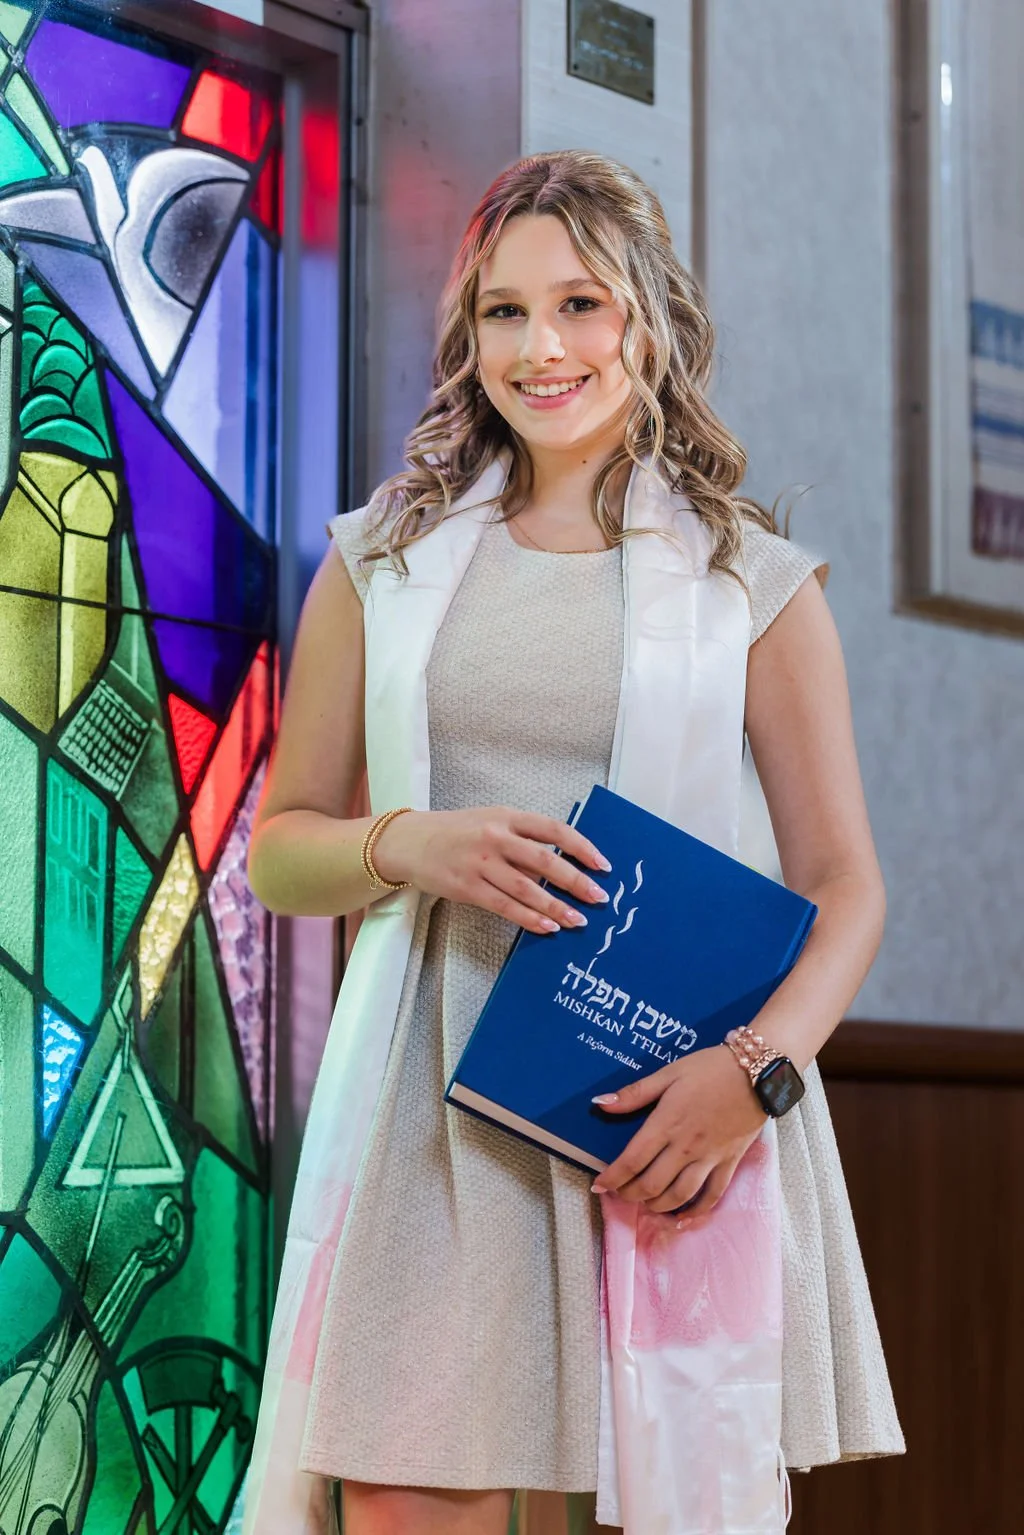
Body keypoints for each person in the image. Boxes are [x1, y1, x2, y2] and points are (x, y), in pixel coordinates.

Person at [242, 151, 903, 1535]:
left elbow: (847, 885)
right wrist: (410, 843)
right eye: (502, 311)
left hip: (665, 1099)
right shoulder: (380, 561)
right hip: (433, 1114)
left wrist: (752, 1076)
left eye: (582, 304)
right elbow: (281, 849)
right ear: (464, 331)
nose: (541, 349)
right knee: (409, 1497)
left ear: (650, 320)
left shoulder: (750, 585)